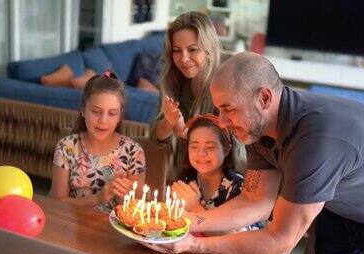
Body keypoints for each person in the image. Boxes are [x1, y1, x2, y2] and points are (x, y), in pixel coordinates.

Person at [142, 52, 364, 254]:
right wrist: (190, 220)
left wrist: (195, 245)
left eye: (228, 109)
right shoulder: (257, 128)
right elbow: (254, 200)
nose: (222, 123)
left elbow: (280, 239)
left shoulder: (315, 142)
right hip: (339, 203)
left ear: (264, 97)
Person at [150, 11, 243, 180]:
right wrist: (168, 122)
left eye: (192, 49)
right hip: (182, 175)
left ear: (208, 48)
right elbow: (155, 137)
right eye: (177, 50)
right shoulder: (171, 78)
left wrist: (182, 130)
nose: (184, 59)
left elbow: (232, 144)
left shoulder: (231, 75)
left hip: (226, 176)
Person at [50, 70, 146, 208]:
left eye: (112, 113)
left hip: (113, 228)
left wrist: (124, 197)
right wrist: (97, 198)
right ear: (83, 110)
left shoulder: (133, 152)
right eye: (95, 111)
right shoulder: (66, 147)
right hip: (72, 225)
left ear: (120, 116)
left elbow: (139, 208)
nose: (103, 120)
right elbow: (56, 204)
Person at [171, 115, 263, 233]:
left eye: (210, 147)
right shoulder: (187, 179)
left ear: (226, 149)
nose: (202, 153)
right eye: (194, 147)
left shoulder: (238, 188)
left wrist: (194, 207)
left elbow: (238, 242)